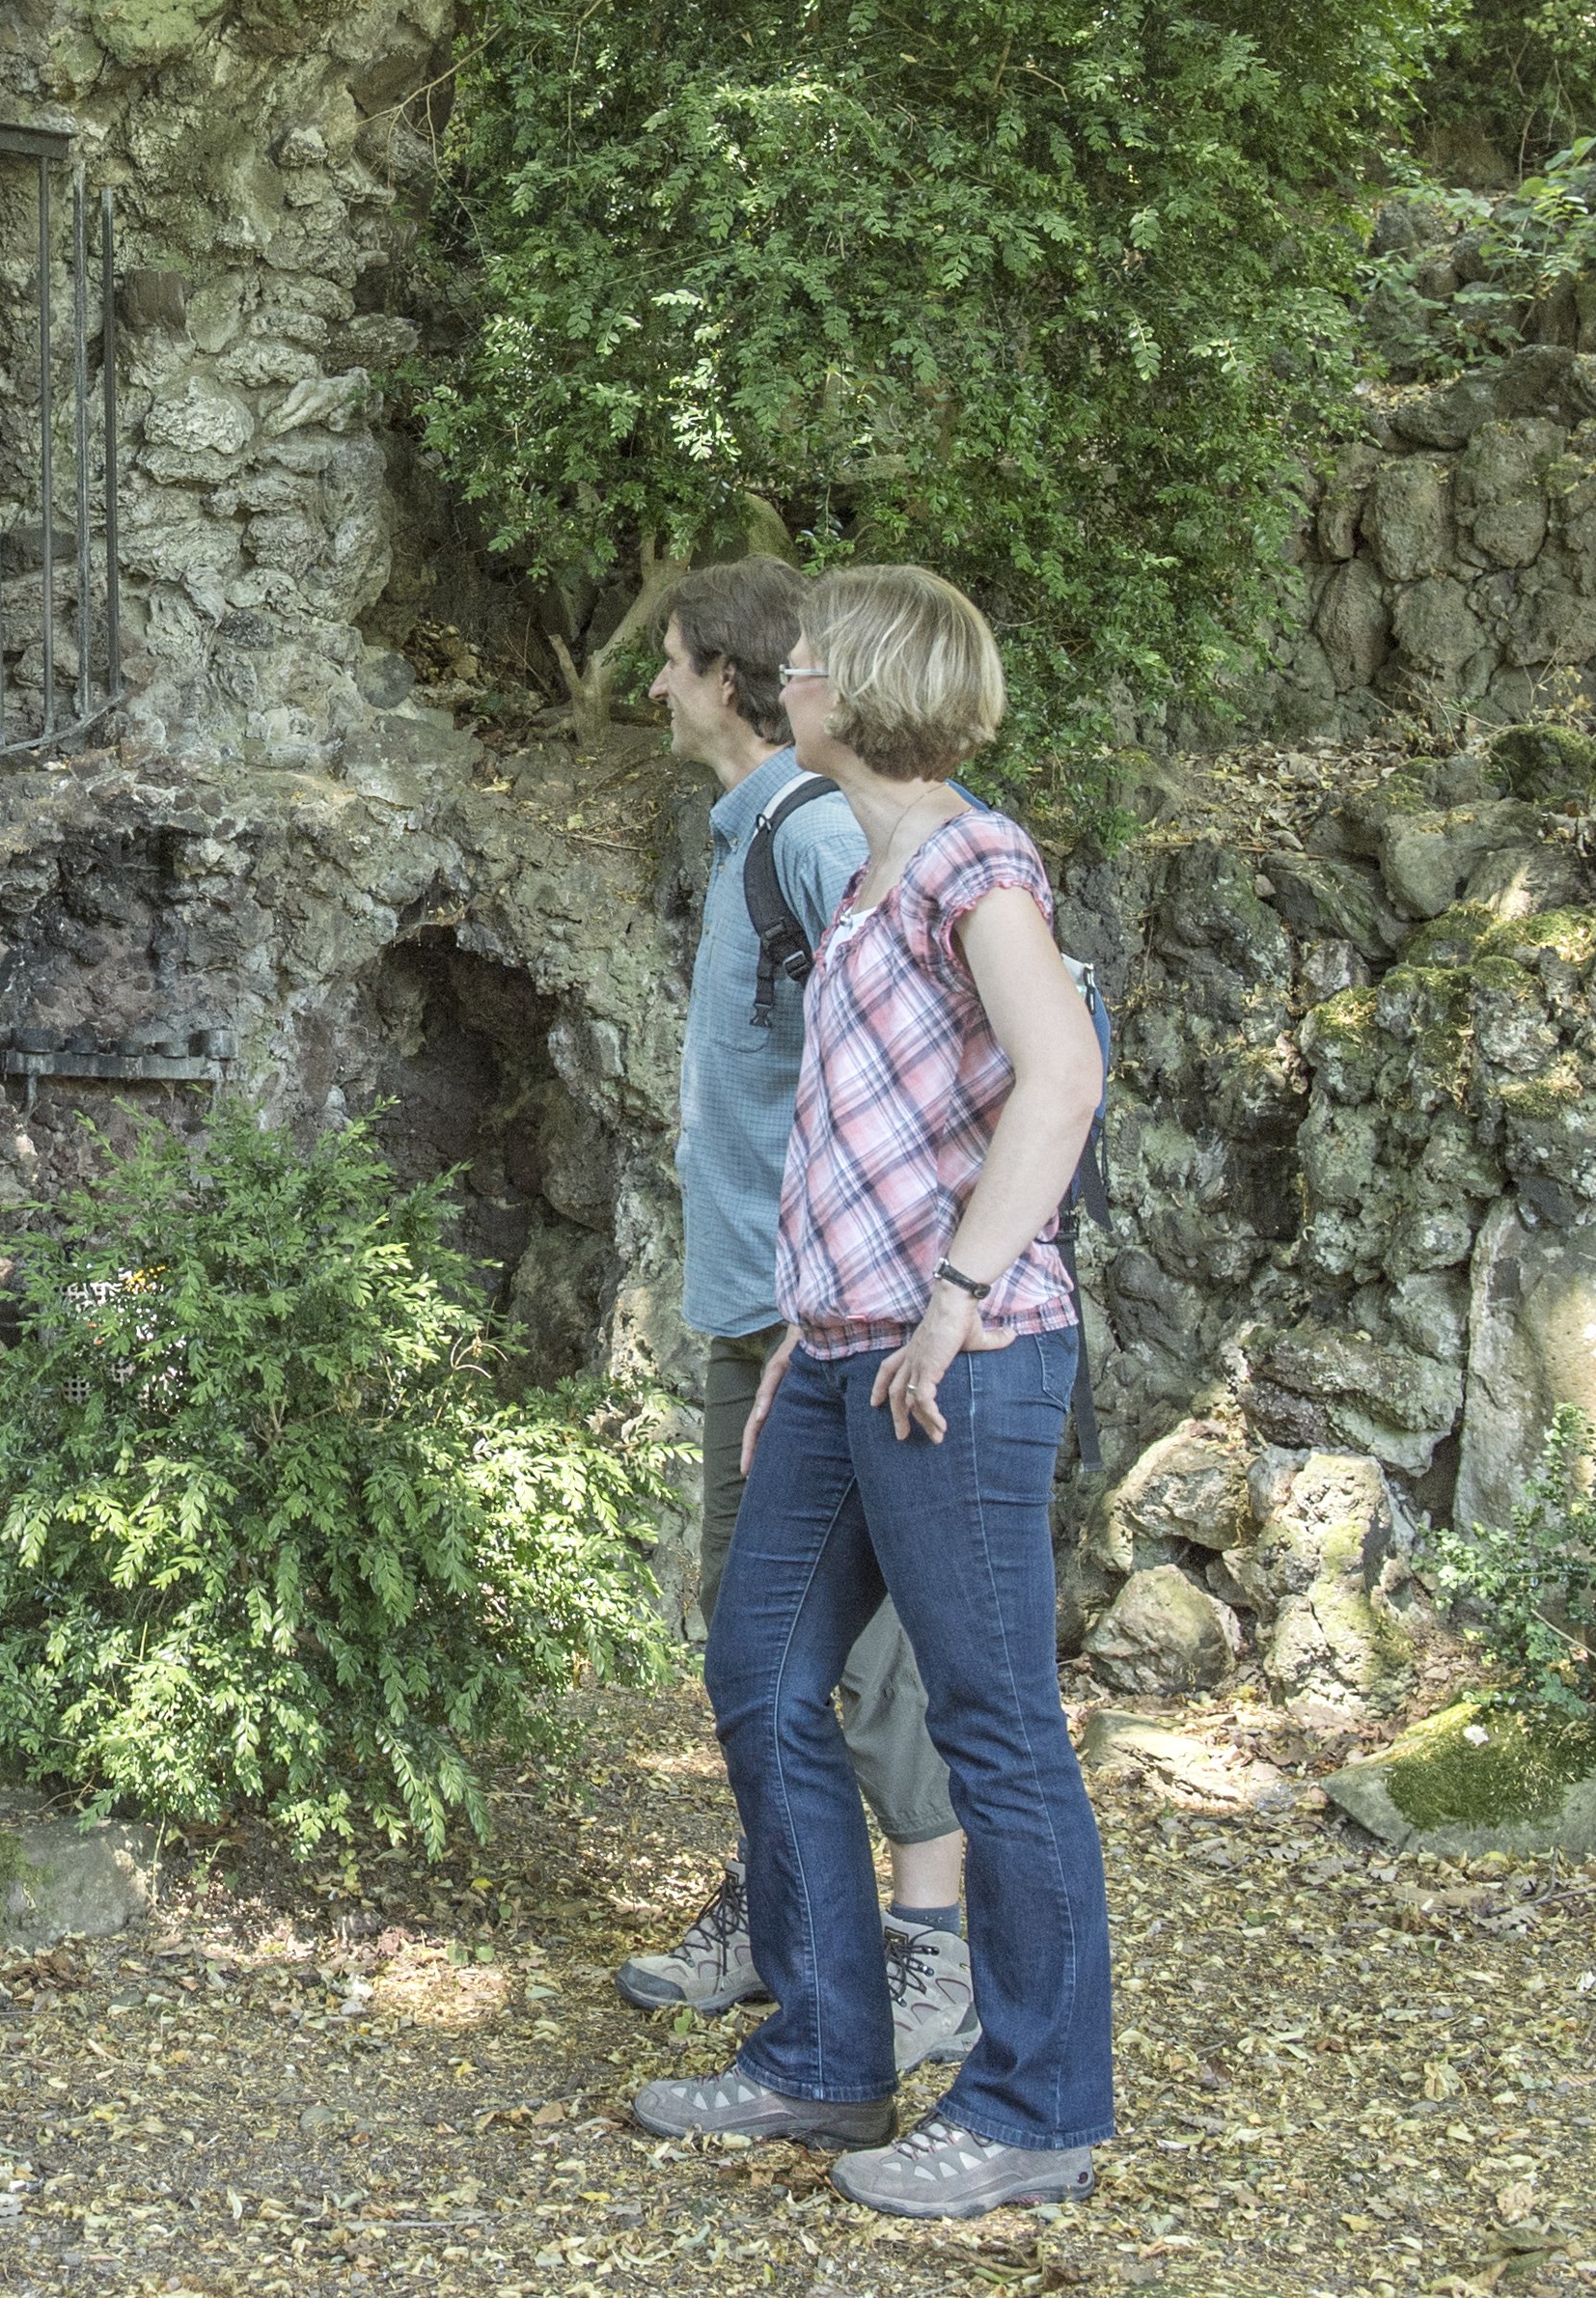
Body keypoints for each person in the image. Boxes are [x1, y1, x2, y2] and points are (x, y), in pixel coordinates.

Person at [630, 564, 1115, 2220]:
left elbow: (1061, 1078)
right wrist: (806, 1327)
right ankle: (826, 2054)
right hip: (838, 1352)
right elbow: (857, 1141)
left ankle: (1035, 2107)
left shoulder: (973, 863)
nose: (792, 678)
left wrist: (952, 1299)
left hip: (959, 1365)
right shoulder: (868, 874)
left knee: (995, 1730)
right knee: (760, 1671)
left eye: (813, 661)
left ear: (863, 689)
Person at [616, 562, 977, 2080]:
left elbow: (948, 1053)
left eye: (672, 660)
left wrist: (917, 1295)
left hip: (822, 1320)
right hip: (762, 1312)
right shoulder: (757, 835)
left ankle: (931, 1946)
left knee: (857, 1646)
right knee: (760, 1647)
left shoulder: (818, 835)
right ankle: (784, 1914)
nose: (654, 686)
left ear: (730, 680)